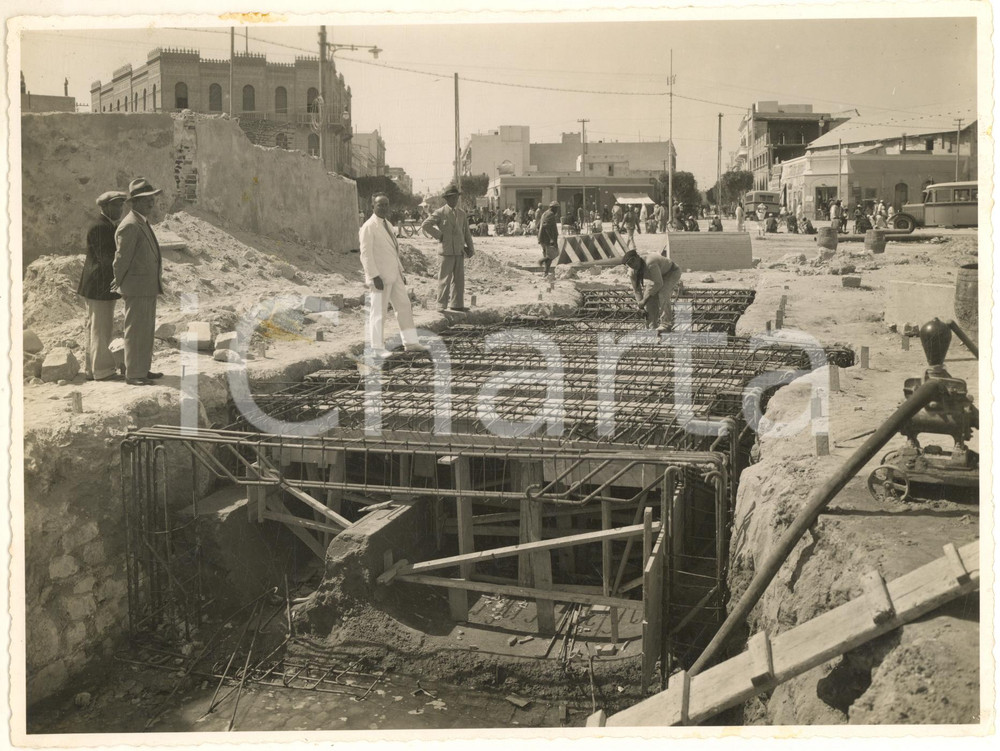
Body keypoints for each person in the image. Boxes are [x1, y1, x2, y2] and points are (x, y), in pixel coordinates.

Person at [359, 193, 427, 355]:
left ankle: (410, 342)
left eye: (386, 205)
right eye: (380, 205)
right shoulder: (368, 226)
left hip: (394, 274)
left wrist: (400, 271)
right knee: (378, 311)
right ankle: (376, 348)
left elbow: (393, 251)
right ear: (372, 207)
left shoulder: (388, 224)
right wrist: (374, 276)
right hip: (380, 277)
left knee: (404, 306)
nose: (384, 208)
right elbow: (365, 254)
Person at [113, 177, 165, 386]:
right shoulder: (130, 225)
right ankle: (134, 374)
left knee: (145, 330)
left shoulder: (141, 221)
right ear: (134, 202)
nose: (151, 202)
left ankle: (142, 369)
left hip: (147, 286)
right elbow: (121, 260)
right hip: (136, 287)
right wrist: (118, 282)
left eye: (152, 198)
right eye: (146, 199)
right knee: (135, 331)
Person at [78, 190, 127, 381]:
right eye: (116, 205)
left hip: (97, 284)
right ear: (105, 207)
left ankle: (92, 369)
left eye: (122, 205)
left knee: (94, 327)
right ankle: (103, 371)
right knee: (101, 328)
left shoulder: (105, 225)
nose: (120, 209)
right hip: (100, 285)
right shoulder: (101, 227)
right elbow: (107, 260)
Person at [422, 185, 475, 312]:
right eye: (451, 197)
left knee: (459, 280)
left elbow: (466, 232)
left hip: (459, 250)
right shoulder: (440, 213)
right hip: (446, 251)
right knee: (444, 279)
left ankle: (457, 304)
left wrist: (470, 248)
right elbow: (426, 225)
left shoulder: (462, 213)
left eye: (456, 197)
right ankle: (441, 305)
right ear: (447, 199)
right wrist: (439, 236)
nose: (454, 200)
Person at [622, 248, 682, 333]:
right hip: (655, 277)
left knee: (662, 293)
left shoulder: (650, 263)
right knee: (649, 300)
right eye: (629, 264)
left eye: (633, 261)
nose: (632, 265)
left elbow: (659, 283)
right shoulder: (632, 272)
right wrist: (641, 305)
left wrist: (644, 299)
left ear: (638, 257)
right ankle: (652, 326)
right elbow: (637, 290)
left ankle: (666, 325)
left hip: (671, 272)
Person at [537, 200, 560, 276]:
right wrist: (551, 239)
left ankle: (545, 272)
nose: (557, 210)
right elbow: (546, 226)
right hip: (547, 239)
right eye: (557, 208)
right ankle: (542, 262)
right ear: (554, 208)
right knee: (553, 254)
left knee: (548, 254)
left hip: (542, 238)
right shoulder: (551, 214)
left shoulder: (545, 213)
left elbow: (538, 225)